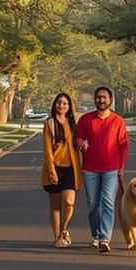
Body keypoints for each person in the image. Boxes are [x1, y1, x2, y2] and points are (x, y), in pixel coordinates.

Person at [76, 86, 129, 253]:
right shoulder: (85, 120)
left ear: (110, 100)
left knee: (107, 202)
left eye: (104, 97)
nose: (101, 100)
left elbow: (123, 146)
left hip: (111, 168)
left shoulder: (118, 121)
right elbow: (78, 138)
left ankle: (105, 238)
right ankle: (96, 234)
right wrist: (80, 144)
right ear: (95, 99)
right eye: (98, 97)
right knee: (93, 203)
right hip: (90, 167)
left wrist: (122, 166)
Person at [40, 92, 82, 248]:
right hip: (55, 168)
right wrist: (51, 169)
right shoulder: (49, 123)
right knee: (55, 206)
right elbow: (47, 150)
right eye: (59, 103)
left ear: (69, 106)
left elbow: (76, 144)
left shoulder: (72, 123)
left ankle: (64, 229)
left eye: (65, 103)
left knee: (69, 202)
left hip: (71, 169)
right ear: (54, 105)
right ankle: (57, 237)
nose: (62, 106)